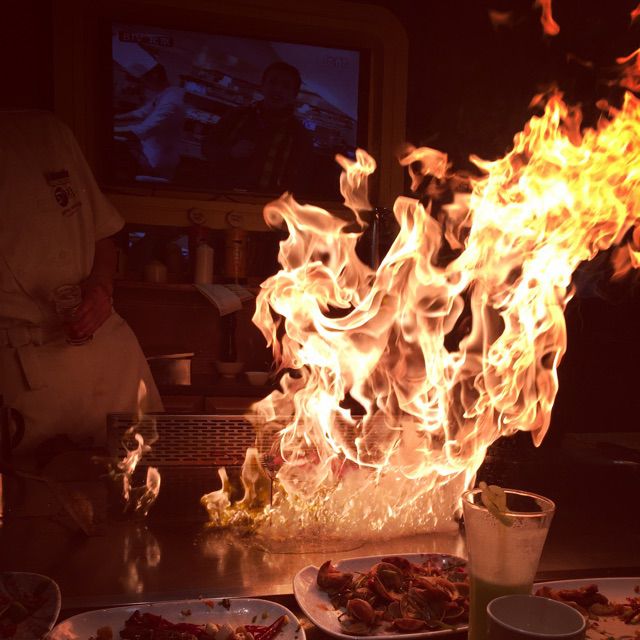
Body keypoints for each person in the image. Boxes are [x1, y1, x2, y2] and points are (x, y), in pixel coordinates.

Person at [0, 110, 163, 455]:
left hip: (107, 351)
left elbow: (104, 235)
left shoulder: (49, 132)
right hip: (19, 372)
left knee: (145, 472)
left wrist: (101, 287)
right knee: (37, 484)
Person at [202, 61, 313, 194]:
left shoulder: (300, 134)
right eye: (272, 82)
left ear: (294, 94)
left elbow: (303, 177)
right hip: (225, 196)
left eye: (286, 86)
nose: (278, 89)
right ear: (263, 86)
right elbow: (207, 148)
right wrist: (231, 152)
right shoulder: (237, 115)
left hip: (271, 204)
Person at [114, 64, 185, 181]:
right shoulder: (166, 93)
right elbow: (141, 112)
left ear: (154, 76)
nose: (143, 83)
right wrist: (116, 117)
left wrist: (111, 129)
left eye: (144, 79)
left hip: (155, 159)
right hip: (148, 150)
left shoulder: (171, 99)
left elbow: (141, 130)